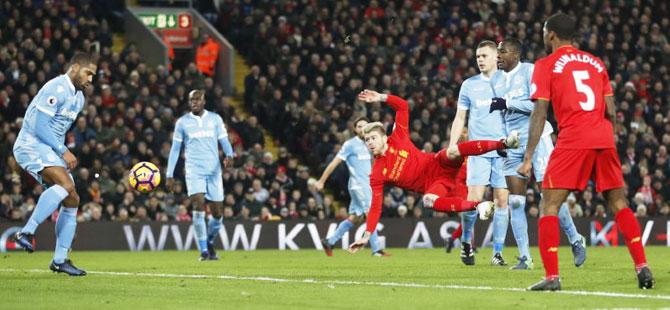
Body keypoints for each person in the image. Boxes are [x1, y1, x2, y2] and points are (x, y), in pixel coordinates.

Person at [519, 13, 654, 291]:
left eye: (545, 33)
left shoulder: (546, 64)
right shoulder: (596, 63)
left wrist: (529, 155)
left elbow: (540, 111)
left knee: (549, 205)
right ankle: (642, 266)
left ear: (552, 34)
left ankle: (552, 276)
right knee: (618, 203)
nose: (544, 37)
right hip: (603, 136)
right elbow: (612, 110)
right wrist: (610, 140)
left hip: (574, 138)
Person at [347, 90, 521, 254]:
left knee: (453, 150)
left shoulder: (398, 136)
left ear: (385, 137)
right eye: (366, 139)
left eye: (373, 137)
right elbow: (375, 207)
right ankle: (478, 207)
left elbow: (403, 106)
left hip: (438, 163)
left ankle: (503, 144)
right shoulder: (377, 173)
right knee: (429, 201)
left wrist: (380, 97)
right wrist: (366, 235)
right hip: (436, 185)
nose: (369, 142)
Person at [491, 38, 586, 270]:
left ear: (515, 53)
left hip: (539, 138)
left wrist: (508, 102)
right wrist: (501, 142)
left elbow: (538, 107)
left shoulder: (531, 71)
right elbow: (503, 114)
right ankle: (525, 257)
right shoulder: (496, 80)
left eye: (502, 52)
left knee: (549, 197)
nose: (498, 56)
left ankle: (575, 239)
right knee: (515, 202)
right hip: (513, 142)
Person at [12, 52, 97, 276]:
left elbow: (57, 130)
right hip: (31, 144)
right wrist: (63, 151)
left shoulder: (79, 98)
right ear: (75, 67)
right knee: (67, 186)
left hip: (48, 150)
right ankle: (27, 232)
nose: (90, 79)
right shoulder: (56, 88)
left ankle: (60, 259)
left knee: (72, 198)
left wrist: (58, 153)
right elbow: (40, 127)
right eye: (88, 73)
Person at [449, 40, 511, 266]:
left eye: (484, 56)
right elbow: (460, 117)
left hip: (503, 151)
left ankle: (497, 253)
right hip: (477, 151)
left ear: (496, 57)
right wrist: (452, 144)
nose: (480, 60)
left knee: (502, 200)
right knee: (473, 201)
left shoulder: (507, 82)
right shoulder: (469, 85)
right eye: (477, 57)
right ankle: (466, 241)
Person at [166, 90, 235, 261]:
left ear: (204, 101)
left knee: (218, 213)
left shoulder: (215, 119)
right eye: (191, 100)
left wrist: (229, 155)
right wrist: (169, 174)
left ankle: (209, 241)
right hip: (194, 171)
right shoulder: (182, 123)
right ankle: (204, 250)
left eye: (197, 99)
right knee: (198, 205)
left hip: (214, 171)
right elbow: (175, 149)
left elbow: (224, 141)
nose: (194, 102)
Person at [316, 116, 389, 256]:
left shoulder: (371, 144)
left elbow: (374, 164)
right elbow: (334, 163)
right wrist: (321, 181)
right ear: (355, 129)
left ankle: (330, 241)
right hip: (358, 185)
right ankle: (376, 250)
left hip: (367, 185)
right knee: (370, 214)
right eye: (359, 126)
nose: (363, 128)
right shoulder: (350, 145)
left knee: (354, 217)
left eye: (365, 126)